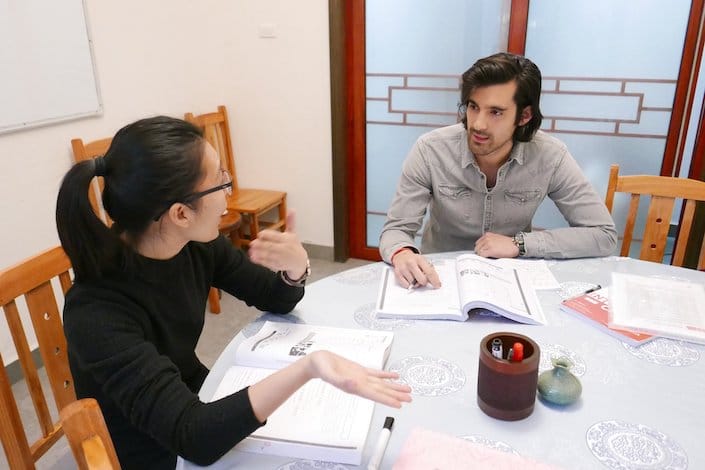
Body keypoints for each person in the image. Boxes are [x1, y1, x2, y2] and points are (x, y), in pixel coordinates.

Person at [56, 116, 411, 469]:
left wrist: (295, 266)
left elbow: (275, 297)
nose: (229, 192)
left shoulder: (193, 245)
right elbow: (193, 436)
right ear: (180, 213)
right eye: (219, 183)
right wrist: (309, 367)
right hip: (150, 449)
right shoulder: (96, 312)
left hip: (194, 396)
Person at [379, 52, 617, 288]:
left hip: (510, 277)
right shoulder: (430, 150)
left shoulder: (551, 156)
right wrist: (402, 252)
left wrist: (520, 244)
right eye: (473, 107)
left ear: (524, 116)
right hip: (440, 277)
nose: (478, 124)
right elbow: (396, 229)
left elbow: (602, 234)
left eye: (495, 112)